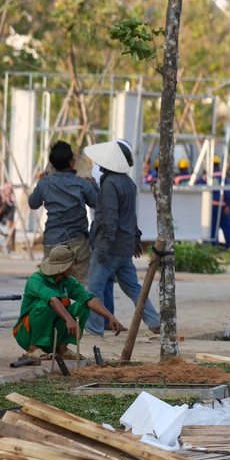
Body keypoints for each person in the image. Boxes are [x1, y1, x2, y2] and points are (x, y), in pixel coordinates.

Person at [83, 140, 162, 338]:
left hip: (110, 247)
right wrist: (135, 237)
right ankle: (154, 321)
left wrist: (103, 246)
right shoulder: (128, 183)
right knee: (133, 288)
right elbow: (130, 216)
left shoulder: (110, 184)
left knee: (93, 287)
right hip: (124, 246)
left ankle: (94, 329)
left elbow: (110, 218)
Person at [12, 244, 123, 365]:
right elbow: (53, 300)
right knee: (46, 305)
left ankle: (62, 348)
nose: (74, 267)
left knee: (83, 305)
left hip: (51, 335)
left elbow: (89, 299)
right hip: (26, 334)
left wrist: (110, 316)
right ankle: (33, 349)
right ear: (64, 267)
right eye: (72, 264)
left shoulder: (69, 282)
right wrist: (69, 319)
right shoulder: (36, 279)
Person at [28, 140, 99, 284]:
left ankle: (56, 306)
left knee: (52, 283)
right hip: (78, 242)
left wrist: (40, 182)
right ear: (72, 162)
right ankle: (77, 307)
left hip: (53, 241)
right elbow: (96, 203)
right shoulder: (82, 183)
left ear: (52, 164)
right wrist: (94, 185)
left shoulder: (45, 183)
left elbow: (33, 203)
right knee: (80, 285)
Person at [210, 157, 230, 248]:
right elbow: (227, 192)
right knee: (227, 227)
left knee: (212, 228)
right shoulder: (222, 176)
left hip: (211, 206)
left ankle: (213, 246)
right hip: (222, 206)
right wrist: (228, 205)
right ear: (218, 164)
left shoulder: (207, 176)